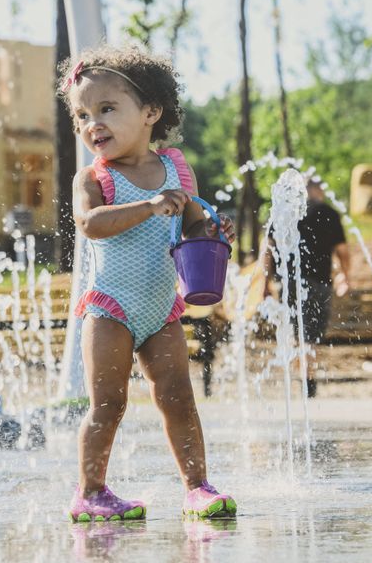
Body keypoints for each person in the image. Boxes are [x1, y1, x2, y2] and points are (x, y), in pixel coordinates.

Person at [57, 46, 237, 522]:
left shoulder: (176, 169)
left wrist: (213, 231)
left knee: (178, 393)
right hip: (109, 308)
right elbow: (90, 224)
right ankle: (90, 493)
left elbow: (194, 223)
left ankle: (197, 487)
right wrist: (149, 206)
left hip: (162, 308)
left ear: (151, 112)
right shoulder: (93, 178)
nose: (93, 123)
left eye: (107, 109)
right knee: (108, 402)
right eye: (83, 114)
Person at [263, 179, 351, 397]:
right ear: (318, 190)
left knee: (296, 333)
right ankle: (308, 382)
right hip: (320, 282)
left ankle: (302, 380)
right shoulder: (328, 212)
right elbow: (343, 250)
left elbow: (268, 250)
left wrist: (264, 284)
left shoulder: (283, 211)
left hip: (289, 283)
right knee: (311, 336)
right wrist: (345, 276)